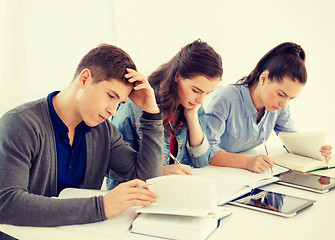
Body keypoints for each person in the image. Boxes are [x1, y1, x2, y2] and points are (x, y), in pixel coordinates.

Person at [0, 44, 164, 227]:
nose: (113, 111)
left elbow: (147, 179)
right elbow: (7, 204)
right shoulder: (21, 123)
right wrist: (101, 207)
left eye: (119, 103)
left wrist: (151, 113)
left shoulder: (104, 132)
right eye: (111, 95)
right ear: (85, 79)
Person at [106, 39, 223, 189]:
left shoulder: (192, 106)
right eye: (196, 90)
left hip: (172, 191)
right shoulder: (134, 108)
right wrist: (157, 172)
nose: (201, 100)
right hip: (136, 194)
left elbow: (201, 160)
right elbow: (113, 171)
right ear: (177, 76)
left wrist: (192, 117)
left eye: (207, 93)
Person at [206, 42, 332, 173]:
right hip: (213, 173)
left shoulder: (279, 106)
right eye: (281, 94)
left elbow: (291, 140)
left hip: (243, 176)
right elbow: (206, 151)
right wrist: (247, 162)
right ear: (264, 78)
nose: (284, 104)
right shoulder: (226, 99)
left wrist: (314, 150)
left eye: (290, 98)